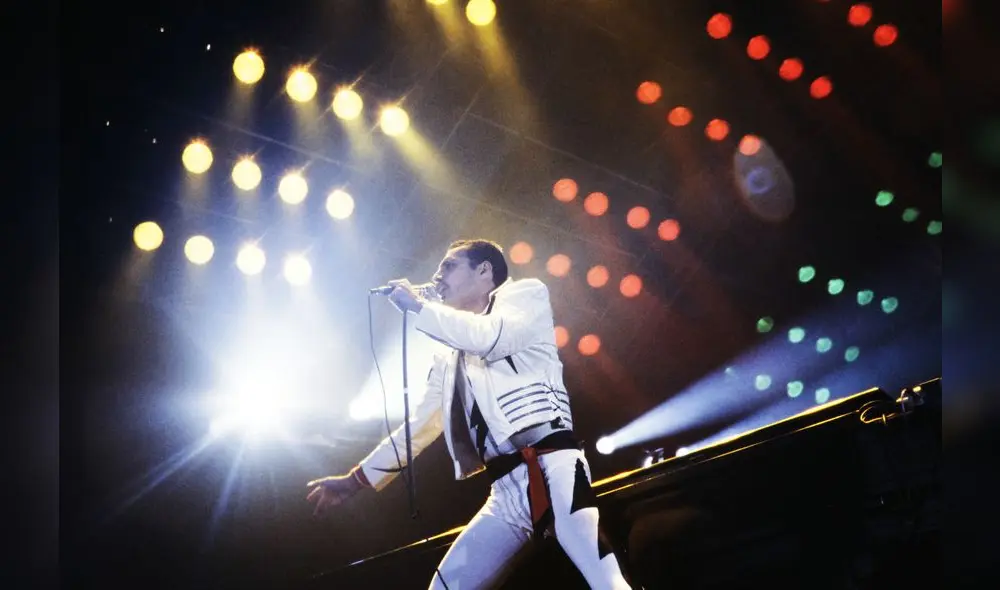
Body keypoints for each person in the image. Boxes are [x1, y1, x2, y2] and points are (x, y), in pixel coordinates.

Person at [306, 239, 632, 590]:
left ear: (484, 270)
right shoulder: (448, 358)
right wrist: (356, 480)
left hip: (555, 467)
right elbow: (419, 427)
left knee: (605, 581)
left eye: (448, 266)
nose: (437, 276)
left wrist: (417, 307)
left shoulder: (525, 296)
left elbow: (488, 337)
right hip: (504, 491)